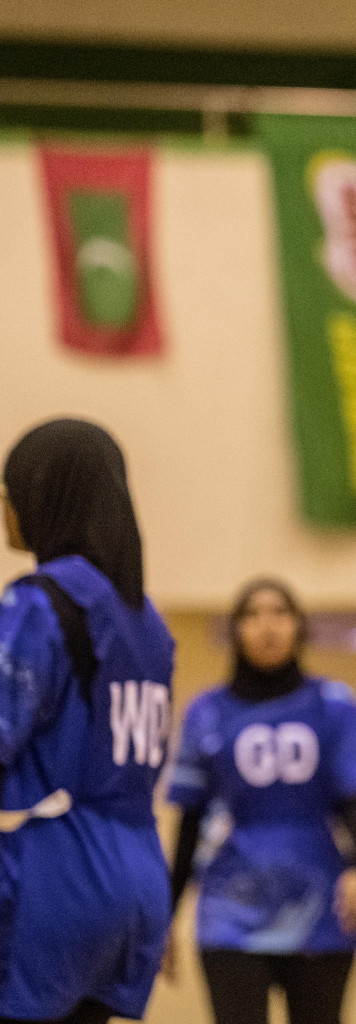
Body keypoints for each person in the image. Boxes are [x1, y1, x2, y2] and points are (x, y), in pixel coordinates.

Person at [0, 418, 176, 1024]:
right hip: (138, 878)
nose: (4, 505)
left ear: (48, 492)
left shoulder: (39, 600)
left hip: (53, 875)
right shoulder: (148, 620)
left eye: (11, 488)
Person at [162, 579, 356, 1024]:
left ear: (300, 628)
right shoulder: (206, 712)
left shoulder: (333, 705)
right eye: (253, 615)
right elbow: (189, 817)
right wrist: (165, 915)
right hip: (230, 905)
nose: (267, 626)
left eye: (280, 613)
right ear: (235, 631)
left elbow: (355, 796)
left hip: (318, 903)